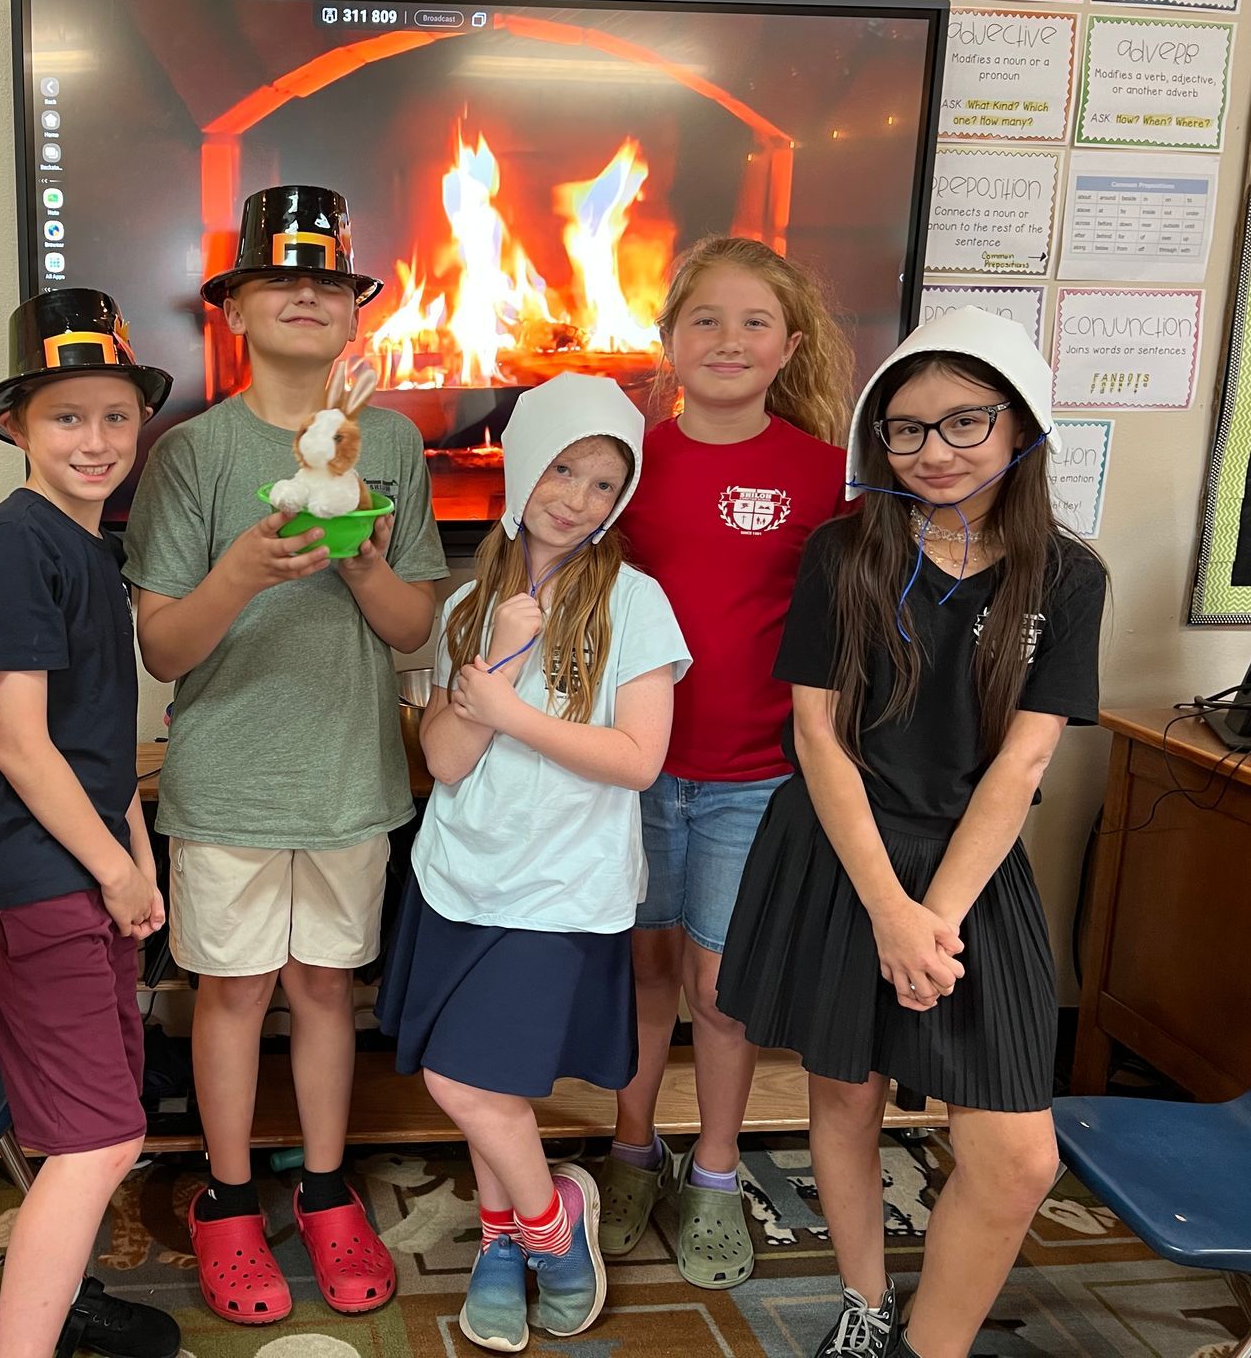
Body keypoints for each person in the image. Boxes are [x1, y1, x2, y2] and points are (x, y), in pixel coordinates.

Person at [716, 307, 1106, 1358]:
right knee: (846, 1093)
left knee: (1018, 1156)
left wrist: (931, 919)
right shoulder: (845, 552)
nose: (933, 452)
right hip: (842, 854)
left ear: (1021, 426)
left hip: (972, 874)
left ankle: (929, 1346)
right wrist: (888, 908)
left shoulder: (1069, 578)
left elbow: (1024, 762)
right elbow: (817, 731)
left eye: (963, 424)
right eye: (906, 429)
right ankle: (862, 1301)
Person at [124, 184, 447, 1323]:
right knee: (231, 991)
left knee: (324, 988)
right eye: (280, 280)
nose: (306, 296)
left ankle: (322, 1184)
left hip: (351, 773)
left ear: (355, 313)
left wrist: (358, 558)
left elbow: (415, 631)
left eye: (328, 282)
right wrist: (244, 572)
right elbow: (163, 649)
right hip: (226, 780)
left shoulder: (394, 440)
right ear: (236, 309)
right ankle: (223, 1197)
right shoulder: (191, 455)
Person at [378, 373, 690, 1351]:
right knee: (485, 1080)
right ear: (524, 466)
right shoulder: (472, 602)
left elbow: (638, 759)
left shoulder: (635, 603)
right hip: (459, 878)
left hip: (561, 892)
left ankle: (550, 1229)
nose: (580, 499)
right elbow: (443, 758)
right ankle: (511, 1237)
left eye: (605, 484)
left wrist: (510, 709)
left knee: (468, 1082)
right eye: (565, 470)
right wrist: (502, 659)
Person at [0, 289, 178, 1358]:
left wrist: (136, 854)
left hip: (79, 866)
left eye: (115, 416)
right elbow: (22, 741)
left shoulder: (88, 545)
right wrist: (114, 872)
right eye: (67, 416)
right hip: (39, 879)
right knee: (103, 1137)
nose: (96, 439)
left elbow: (96, 737)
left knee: (97, 1120)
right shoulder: (19, 540)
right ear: (17, 425)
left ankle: (64, 1305)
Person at [606, 235, 854, 1286]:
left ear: (789, 344)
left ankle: (713, 1171)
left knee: (723, 985)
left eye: (756, 322)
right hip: (626, 768)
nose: (728, 340)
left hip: (754, 776)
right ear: (668, 341)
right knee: (639, 967)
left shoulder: (825, 474)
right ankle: (629, 1148)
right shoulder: (624, 464)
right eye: (704, 319)